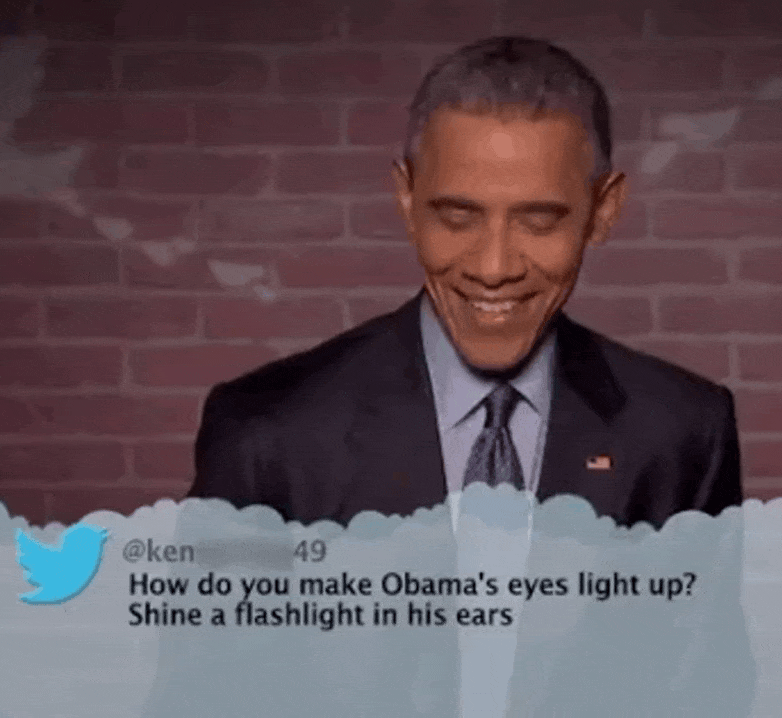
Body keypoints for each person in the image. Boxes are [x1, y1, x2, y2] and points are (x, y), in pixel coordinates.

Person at [188, 35, 743, 529]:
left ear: (602, 211)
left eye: (539, 219)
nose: (493, 269)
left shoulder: (686, 433)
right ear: (407, 200)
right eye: (457, 217)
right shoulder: (263, 435)